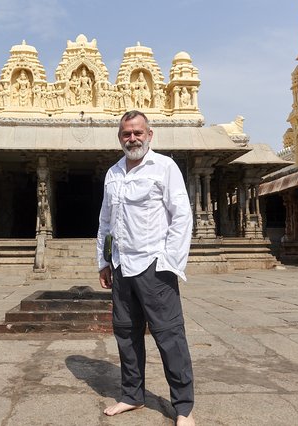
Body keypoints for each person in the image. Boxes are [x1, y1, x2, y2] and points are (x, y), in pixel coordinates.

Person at [97, 110, 195, 426]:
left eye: (138, 132)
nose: (133, 138)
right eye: (127, 134)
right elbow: (106, 222)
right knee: (126, 334)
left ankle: (183, 408)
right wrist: (104, 260)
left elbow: (182, 216)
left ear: (149, 135)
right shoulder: (113, 173)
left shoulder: (164, 167)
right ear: (120, 137)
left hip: (155, 265)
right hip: (122, 265)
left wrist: (170, 261)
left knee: (169, 336)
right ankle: (132, 395)